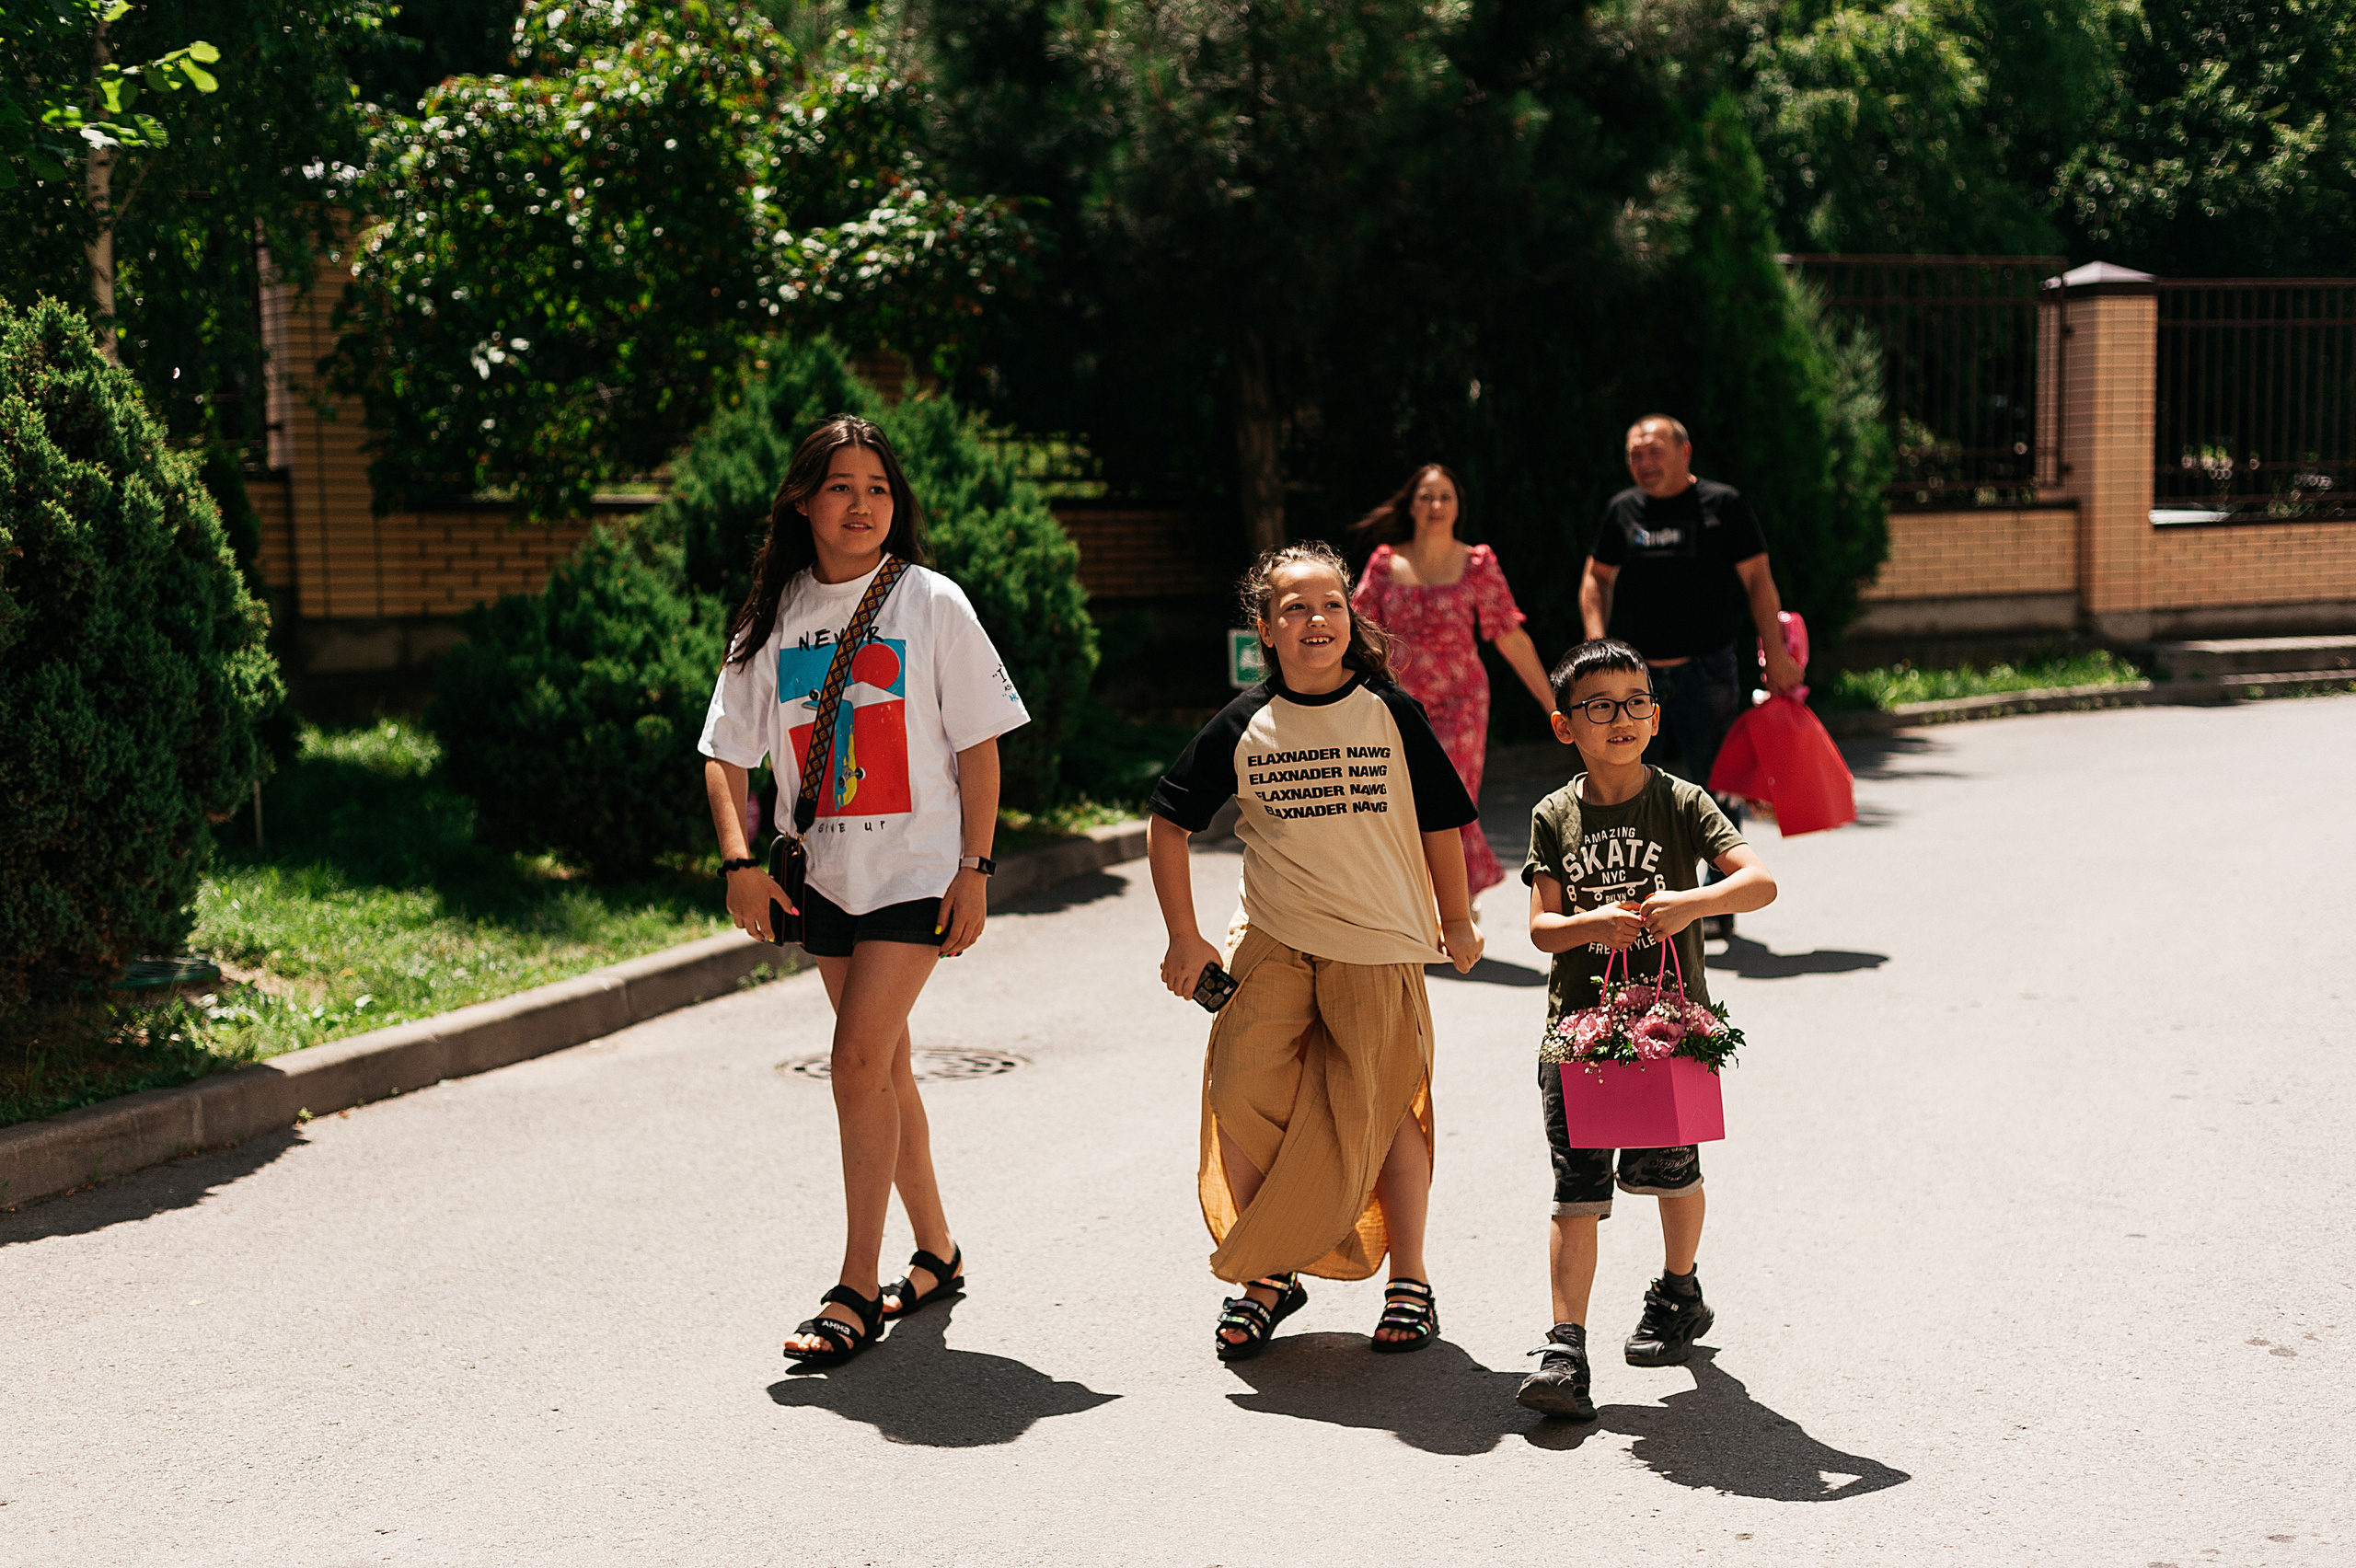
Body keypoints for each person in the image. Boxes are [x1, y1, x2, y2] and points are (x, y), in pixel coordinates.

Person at [698, 415, 1031, 1368]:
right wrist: (739, 861)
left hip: (916, 874)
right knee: (883, 1069)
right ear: (803, 501)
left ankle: (855, 1286)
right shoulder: (775, 614)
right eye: (840, 486)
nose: (861, 504)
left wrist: (974, 871)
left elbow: (979, 749)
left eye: (878, 488)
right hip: (824, 879)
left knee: (853, 1061)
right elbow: (724, 752)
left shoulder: (931, 603)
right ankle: (937, 1250)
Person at [1148, 540, 1484, 1362]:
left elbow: (1441, 818)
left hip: (1378, 941)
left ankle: (1411, 1281)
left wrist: (1459, 915)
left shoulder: (1391, 712)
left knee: (1380, 1105)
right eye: (1294, 607)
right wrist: (1184, 937)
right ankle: (1270, 1274)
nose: (1317, 619)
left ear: (1349, 617)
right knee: (1241, 1090)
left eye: (1331, 604)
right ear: (1265, 628)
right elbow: (1168, 823)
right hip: (1273, 938)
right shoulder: (1244, 723)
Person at [1513, 638, 1778, 1420]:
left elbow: (1759, 883)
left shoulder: (1683, 801)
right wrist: (1586, 921)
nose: (1619, 718)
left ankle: (1678, 1288)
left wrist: (1692, 903)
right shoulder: (1552, 814)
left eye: (1634, 703)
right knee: (1576, 1192)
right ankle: (1565, 1350)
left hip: (1666, 1034)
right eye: (1598, 706)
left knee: (1672, 1174)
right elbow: (1540, 929)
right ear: (1567, 726)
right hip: (1578, 1037)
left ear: (1656, 718)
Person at [1580, 417, 1802, 939]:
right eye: (1635, 454)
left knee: (1716, 787)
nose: (1644, 463)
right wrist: (1596, 645)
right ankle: (1636, 899)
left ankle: (1716, 898)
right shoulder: (1623, 511)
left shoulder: (1724, 505)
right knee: (1628, 785)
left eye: (1654, 451)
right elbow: (1596, 577)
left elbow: (1758, 581)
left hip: (1708, 671)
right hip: (1635, 683)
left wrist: (1777, 653)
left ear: (1685, 452)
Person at [1349, 464, 1556, 901]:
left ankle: (1455, 900)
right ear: (1411, 505)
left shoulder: (1477, 562)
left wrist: (1552, 703)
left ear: (1459, 506)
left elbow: (1510, 637)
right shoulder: (1386, 562)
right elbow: (1357, 629)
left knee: (1449, 796)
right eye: (1425, 496)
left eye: (1445, 496)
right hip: (1399, 702)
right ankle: (1430, 897)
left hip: (1462, 700)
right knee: (1406, 800)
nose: (1435, 505)